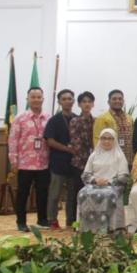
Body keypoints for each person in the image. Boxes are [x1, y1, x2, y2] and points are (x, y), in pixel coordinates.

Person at [9, 87, 51, 232]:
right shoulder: (20, 118)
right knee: (22, 194)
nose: (36, 100)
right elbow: (13, 140)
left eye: (39, 97)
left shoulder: (48, 118)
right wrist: (14, 161)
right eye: (33, 97)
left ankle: (42, 220)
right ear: (27, 99)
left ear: (43, 99)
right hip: (25, 164)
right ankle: (21, 222)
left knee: (43, 193)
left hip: (44, 163)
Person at [78, 128, 129, 233]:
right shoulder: (94, 155)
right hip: (94, 184)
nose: (106, 141)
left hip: (113, 185)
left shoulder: (119, 155)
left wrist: (108, 182)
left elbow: (123, 176)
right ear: (100, 140)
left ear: (114, 140)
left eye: (110, 139)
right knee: (82, 193)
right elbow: (86, 174)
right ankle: (87, 227)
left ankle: (110, 227)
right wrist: (95, 180)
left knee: (108, 194)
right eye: (104, 138)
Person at [44, 89, 77, 230]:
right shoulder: (54, 120)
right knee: (54, 194)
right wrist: (67, 149)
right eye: (64, 99)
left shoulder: (78, 118)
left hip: (75, 164)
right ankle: (52, 220)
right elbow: (50, 141)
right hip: (58, 163)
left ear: (73, 101)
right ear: (59, 102)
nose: (67, 101)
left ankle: (71, 221)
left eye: (70, 99)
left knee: (72, 195)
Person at [68, 91, 95, 228]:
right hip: (79, 162)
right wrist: (88, 159)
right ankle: (72, 221)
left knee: (91, 193)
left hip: (94, 164)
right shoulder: (75, 121)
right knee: (76, 193)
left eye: (89, 101)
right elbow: (76, 143)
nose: (87, 104)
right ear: (79, 104)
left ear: (93, 104)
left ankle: (88, 220)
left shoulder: (96, 121)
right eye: (84, 101)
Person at [93, 89, 134, 165]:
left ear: (123, 101)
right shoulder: (102, 118)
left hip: (128, 159)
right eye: (114, 99)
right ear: (108, 102)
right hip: (110, 160)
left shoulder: (129, 118)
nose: (117, 101)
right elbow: (97, 139)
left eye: (120, 99)